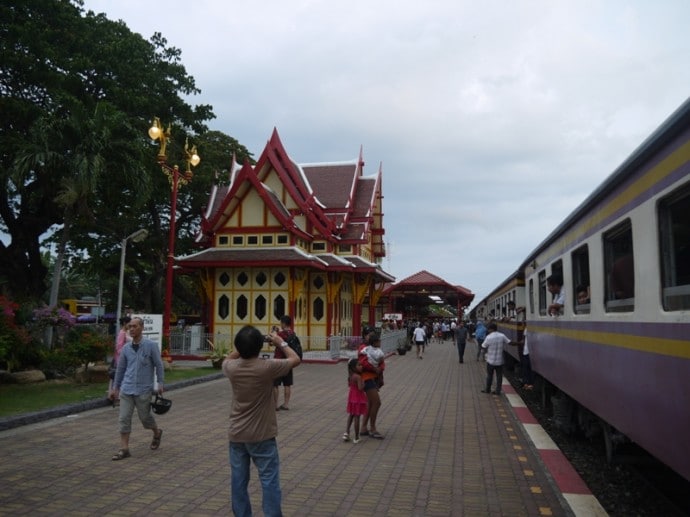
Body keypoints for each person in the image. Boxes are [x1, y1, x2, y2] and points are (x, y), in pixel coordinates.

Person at [223, 325, 301, 516]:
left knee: (238, 482)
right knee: (269, 481)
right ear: (260, 347)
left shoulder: (231, 368)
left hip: (237, 435)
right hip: (262, 435)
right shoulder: (267, 367)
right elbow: (295, 359)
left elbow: (228, 358)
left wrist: (241, 348)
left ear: (238, 347)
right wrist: (279, 341)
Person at [109, 316, 165, 461]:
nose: (131, 329)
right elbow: (120, 369)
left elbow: (159, 365)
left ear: (142, 328)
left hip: (143, 389)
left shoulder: (150, 346)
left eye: (134, 326)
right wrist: (115, 388)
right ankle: (124, 449)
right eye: (130, 327)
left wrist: (160, 383)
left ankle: (156, 432)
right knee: (124, 419)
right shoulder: (126, 348)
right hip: (127, 389)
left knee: (145, 418)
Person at [480, 321, 519, 395]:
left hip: (490, 360)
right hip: (499, 361)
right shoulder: (502, 336)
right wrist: (519, 343)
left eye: (489, 329)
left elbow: (483, 346)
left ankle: (487, 389)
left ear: (491, 329)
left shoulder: (489, 337)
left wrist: (485, 353)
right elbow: (510, 343)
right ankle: (498, 391)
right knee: (499, 376)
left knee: (489, 376)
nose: (488, 330)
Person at [358, 333, 385, 440]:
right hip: (367, 377)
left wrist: (380, 369)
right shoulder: (363, 349)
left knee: (370, 403)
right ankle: (373, 428)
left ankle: (364, 428)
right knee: (377, 402)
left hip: (373, 377)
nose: (368, 336)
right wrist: (375, 369)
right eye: (368, 334)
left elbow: (382, 362)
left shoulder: (377, 350)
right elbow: (363, 363)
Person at [273, 314, 297, 410]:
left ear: (283, 323)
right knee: (287, 384)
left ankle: (275, 405)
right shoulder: (292, 333)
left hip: (278, 361)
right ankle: (286, 404)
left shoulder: (280, 335)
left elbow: (272, 341)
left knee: (275, 384)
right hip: (289, 360)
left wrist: (274, 332)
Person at [343, 358, 367, 444]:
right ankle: (356, 437)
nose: (361, 366)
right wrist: (363, 383)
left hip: (352, 398)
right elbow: (360, 388)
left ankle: (346, 432)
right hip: (358, 398)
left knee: (351, 415)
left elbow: (350, 385)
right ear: (353, 367)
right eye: (359, 365)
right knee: (357, 417)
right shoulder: (358, 377)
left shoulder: (350, 376)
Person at [108, 316, 131, 399]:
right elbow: (118, 347)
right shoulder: (122, 333)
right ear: (125, 323)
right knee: (119, 377)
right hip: (121, 359)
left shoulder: (127, 332)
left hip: (127, 358)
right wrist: (125, 354)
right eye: (129, 323)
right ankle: (116, 395)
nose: (130, 325)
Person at [511, 325, 534, 390]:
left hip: (526, 351)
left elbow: (523, 340)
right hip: (530, 351)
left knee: (526, 368)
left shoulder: (527, 328)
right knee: (530, 369)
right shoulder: (530, 328)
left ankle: (526, 383)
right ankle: (529, 384)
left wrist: (517, 343)